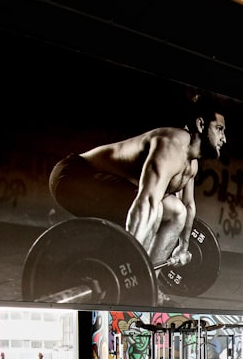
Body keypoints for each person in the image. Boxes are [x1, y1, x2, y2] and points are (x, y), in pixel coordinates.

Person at [48, 93, 227, 269]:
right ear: (201, 124)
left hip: (102, 183)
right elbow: (146, 203)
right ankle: (124, 272)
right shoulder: (171, 146)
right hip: (72, 176)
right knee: (156, 211)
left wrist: (183, 247)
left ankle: (149, 284)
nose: (224, 139)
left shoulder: (191, 163)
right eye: (219, 129)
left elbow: (188, 206)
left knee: (176, 211)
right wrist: (130, 263)